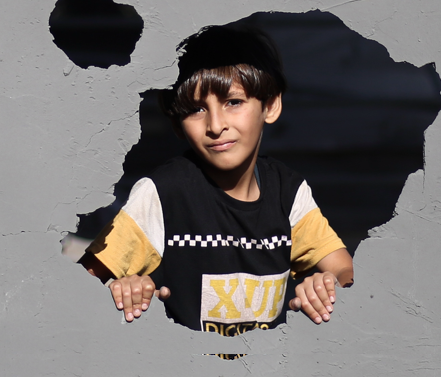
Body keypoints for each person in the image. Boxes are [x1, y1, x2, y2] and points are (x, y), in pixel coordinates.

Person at [76, 24, 354, 336]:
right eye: (196, 110)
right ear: (178, 124)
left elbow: (345, 270)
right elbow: (82, 283)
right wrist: (124, 287)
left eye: (233, 102)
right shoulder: (163, 194)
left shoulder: (287, 193)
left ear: (271, 105)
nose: (215, 125)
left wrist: (324, 283)